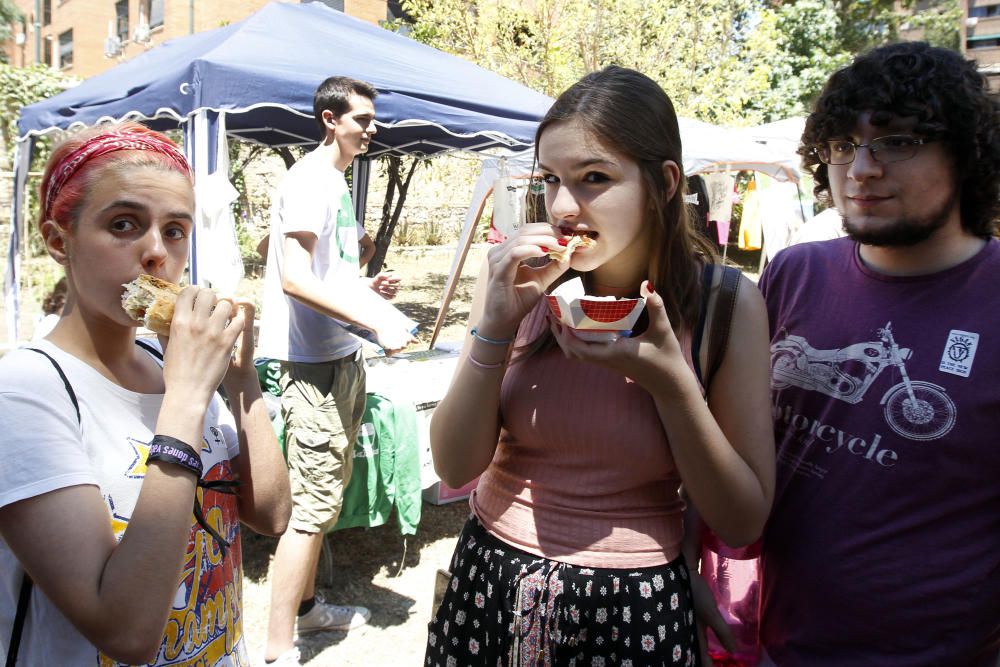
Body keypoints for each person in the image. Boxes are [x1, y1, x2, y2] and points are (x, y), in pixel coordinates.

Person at [425, 65, 775, 665]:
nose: (563, 206)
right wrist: (498, 327)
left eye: (593, 178)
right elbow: (455, 463)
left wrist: (670, 386)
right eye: (551, 179)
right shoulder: (515, 279)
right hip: (490, 584)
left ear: (664, 182)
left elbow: (742, 519)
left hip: (633, 608)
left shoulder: (726, 306)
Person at [0, 121, 291, 666]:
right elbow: (126, 633)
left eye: (176, 230)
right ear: (58, 241)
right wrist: (184, 400)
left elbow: (270, 515)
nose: (157, 252)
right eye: (124, 224)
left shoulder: (170, 363)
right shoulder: (24, 396)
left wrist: (241, 379)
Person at [758, 42, 1000, 666]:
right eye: (843, 145)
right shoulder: (792, 273)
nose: (860, 169)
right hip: (781, 644)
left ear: (967, 153)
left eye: (897, 142)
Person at [257, 76, 415, 666]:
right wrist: (380, 324)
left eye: (372, 120)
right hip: (313, 365)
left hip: (341, 357)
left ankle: (308, 612)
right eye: (363, 119)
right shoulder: (309, 181)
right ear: (330, 119)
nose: (371, 129)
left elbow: (326, 273)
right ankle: (277, 650)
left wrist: (366, 287)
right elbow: (293, 279)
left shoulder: (335, 182)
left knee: (324, 500)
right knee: (310, 510)